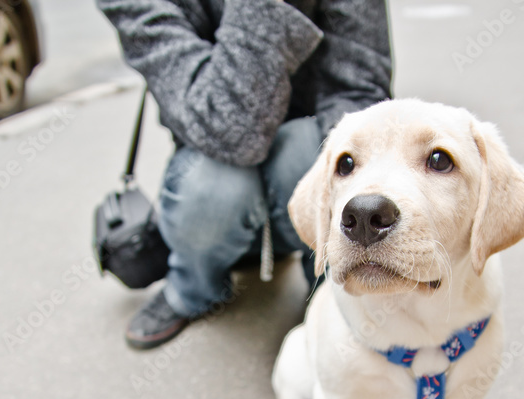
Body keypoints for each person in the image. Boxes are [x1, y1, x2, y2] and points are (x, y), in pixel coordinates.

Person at [97, 0, 393, 349]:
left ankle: (330, 289)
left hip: (307, 145)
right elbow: (226, 131)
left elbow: (359, 94)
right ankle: (193, 288)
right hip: (213, 158)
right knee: (211, 185)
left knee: (317, 154)